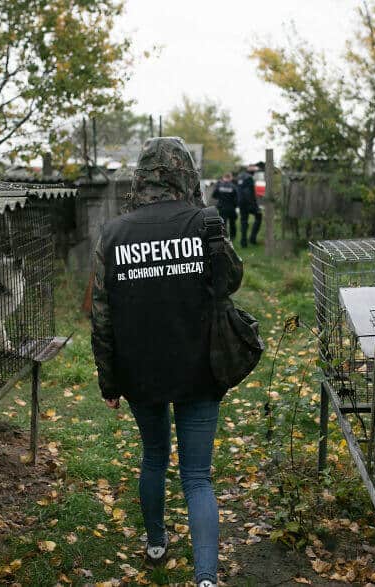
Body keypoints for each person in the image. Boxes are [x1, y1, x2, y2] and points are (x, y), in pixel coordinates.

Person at [91, 137, 243, 587]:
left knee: (154, 457)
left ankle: (156, 543)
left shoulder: (112, 234)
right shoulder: (208, 222)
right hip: (200, 368)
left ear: (140, 178)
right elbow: (231, 282)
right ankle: (206, 578)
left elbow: (101, 316)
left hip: (141, 372)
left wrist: (109, 380)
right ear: (188, 174)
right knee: (198, 476)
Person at [237, 165, 262, 247]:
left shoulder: (240, 176)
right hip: (248, 203)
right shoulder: (249, 178)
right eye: (254, 170)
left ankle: (243, 242)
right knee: (259, 216)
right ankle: (252, 238)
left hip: (241, 203)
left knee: (244, 221)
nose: (255, 172)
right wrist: (254, 205)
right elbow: (247, 192)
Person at [210, 172, 238, 240]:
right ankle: (233, 237)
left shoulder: (219, 186)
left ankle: (224, 236)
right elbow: (237, 198)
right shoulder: (233, 186)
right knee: (232, 223)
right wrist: (235, 205)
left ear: (223, 177)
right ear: (230, 178)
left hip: (222, 207)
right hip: (231, 207)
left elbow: (214, 195)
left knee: (223, 223)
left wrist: (220, 198)